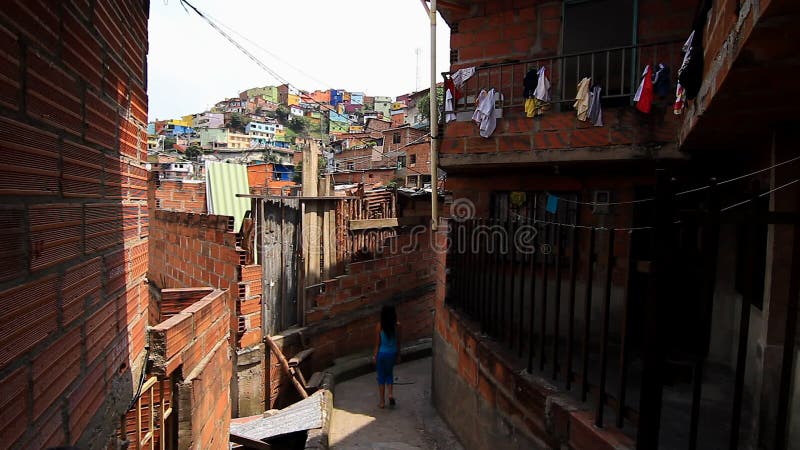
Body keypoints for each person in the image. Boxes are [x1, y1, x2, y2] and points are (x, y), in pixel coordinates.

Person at [373, 305, 400, 409]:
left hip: (382, 354)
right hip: (392, 353)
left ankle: (382, 402)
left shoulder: (379, 326)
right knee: (389, 374)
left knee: (381, 377)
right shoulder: (397, 326)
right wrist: (398, 355)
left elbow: (377, 344)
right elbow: (398, 342)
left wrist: (375, 356)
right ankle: (390, 394)